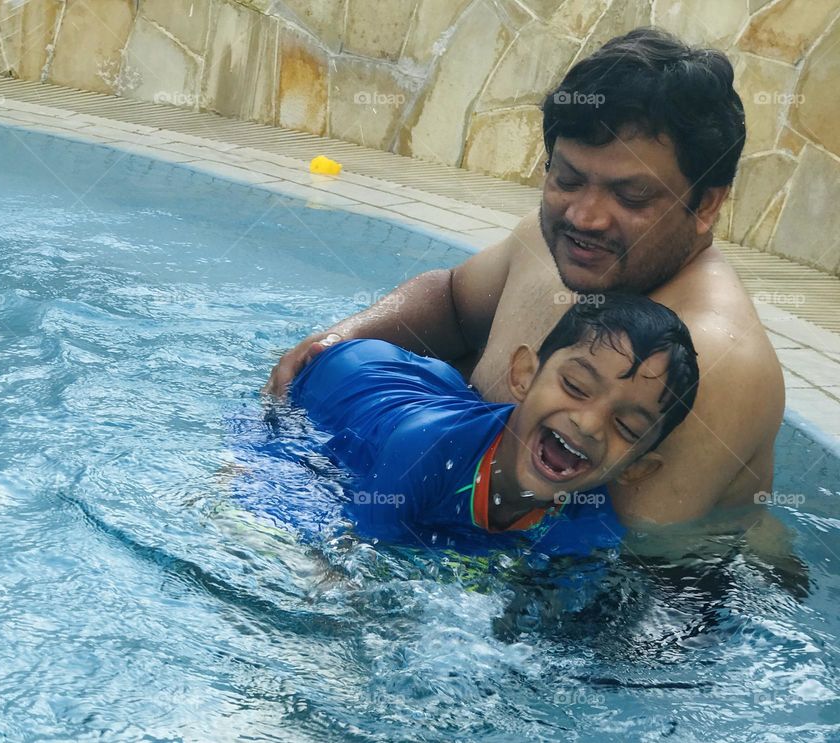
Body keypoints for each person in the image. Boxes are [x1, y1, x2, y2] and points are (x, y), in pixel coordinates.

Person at [265, 27, 784, 528]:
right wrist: (342, 340)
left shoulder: (710, 358)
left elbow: (625, 574)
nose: (585, 217)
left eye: (631, 196)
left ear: (707, 203)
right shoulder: (563, 244)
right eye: (568, 178)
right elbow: (449, 299)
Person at [288, 294, 699, 556]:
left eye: (626, 427)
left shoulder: (591, 518)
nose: (589, 424)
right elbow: (344, 558)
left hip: (437, 395)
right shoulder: (424, 450)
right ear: (522, 375)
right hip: (345, 381)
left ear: (635, 469)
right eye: (576, 386)